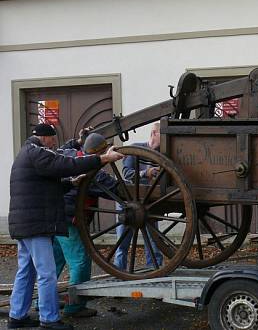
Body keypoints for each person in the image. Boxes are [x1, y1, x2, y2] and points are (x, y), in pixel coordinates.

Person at [8, 123, 123, 330]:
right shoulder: (38, 153)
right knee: (47, 273)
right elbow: (66, 164)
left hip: (27, 224)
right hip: (36, 225)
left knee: (27, 271)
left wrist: (71, 184)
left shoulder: (28, 154)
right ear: (45, 138)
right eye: (53, 140)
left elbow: (46, 186)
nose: (54, 144)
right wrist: (103, 158)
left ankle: (17, 316)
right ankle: (49, 319)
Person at [52, 133, 121, 318]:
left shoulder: (71, 155)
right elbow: (118, 190)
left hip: (56, 217)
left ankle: (43, 299)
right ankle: (75, 306)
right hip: (70, 221)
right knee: (80, 261)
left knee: (54, 262)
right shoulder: (94, 173)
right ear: (100, 152)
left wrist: (78, 140)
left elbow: (64, 146)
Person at [114, 122, 163, 270]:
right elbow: (127, 174)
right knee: (123, 240)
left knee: (153, 239)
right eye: (164, 135)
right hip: (128, 201)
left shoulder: (162, 154)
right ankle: (119, 270)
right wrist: (145, 173)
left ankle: (154, 268)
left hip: (148, 201)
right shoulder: (136, 149)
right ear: (154, 133)